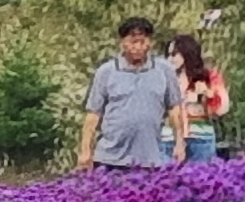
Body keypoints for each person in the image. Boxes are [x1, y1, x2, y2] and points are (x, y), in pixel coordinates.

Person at [74, 17, 187, 172]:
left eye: (142, 41)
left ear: (150, 42)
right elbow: (93, 114)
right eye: (133, 42)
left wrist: (179, 143)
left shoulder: (164, 70)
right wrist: (85, 151)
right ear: (122, 42)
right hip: (110, 159)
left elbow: (174, 109)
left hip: (150, 159)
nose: (138, 47)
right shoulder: (106, 72)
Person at [172, 32, 231, 164]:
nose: (171, 59)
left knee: (202, 174)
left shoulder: (208, 77)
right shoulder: (166, 78)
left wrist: (209, 93)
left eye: (174, 54)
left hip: (201, 138)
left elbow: (223, 108)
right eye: (168, 54)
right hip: (171, 139)